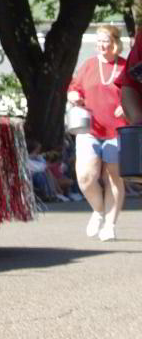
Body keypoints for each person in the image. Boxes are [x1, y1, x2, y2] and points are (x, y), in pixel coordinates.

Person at [67, 24, 128, 241]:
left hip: (118, 131)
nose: (101, 45)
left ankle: (110, 225)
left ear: (115, 43)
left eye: (106, 41)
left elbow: (136, 92)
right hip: (89, 128)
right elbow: (74, 88)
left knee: (113, 177)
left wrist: (127, 105)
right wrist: (73, 96)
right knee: (85, 177)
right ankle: (98, 210)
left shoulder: (126, 67)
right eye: (99, 41)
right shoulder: (89, 65)